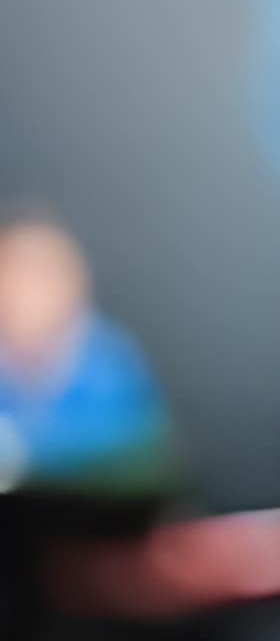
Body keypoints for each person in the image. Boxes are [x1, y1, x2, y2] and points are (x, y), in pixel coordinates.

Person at [0, 212, 173, 498]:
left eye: (43, 273)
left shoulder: (111, 362)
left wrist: (24, 452)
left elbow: (137, 453)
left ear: (76, 280)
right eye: (13, 271)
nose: (27, 291)